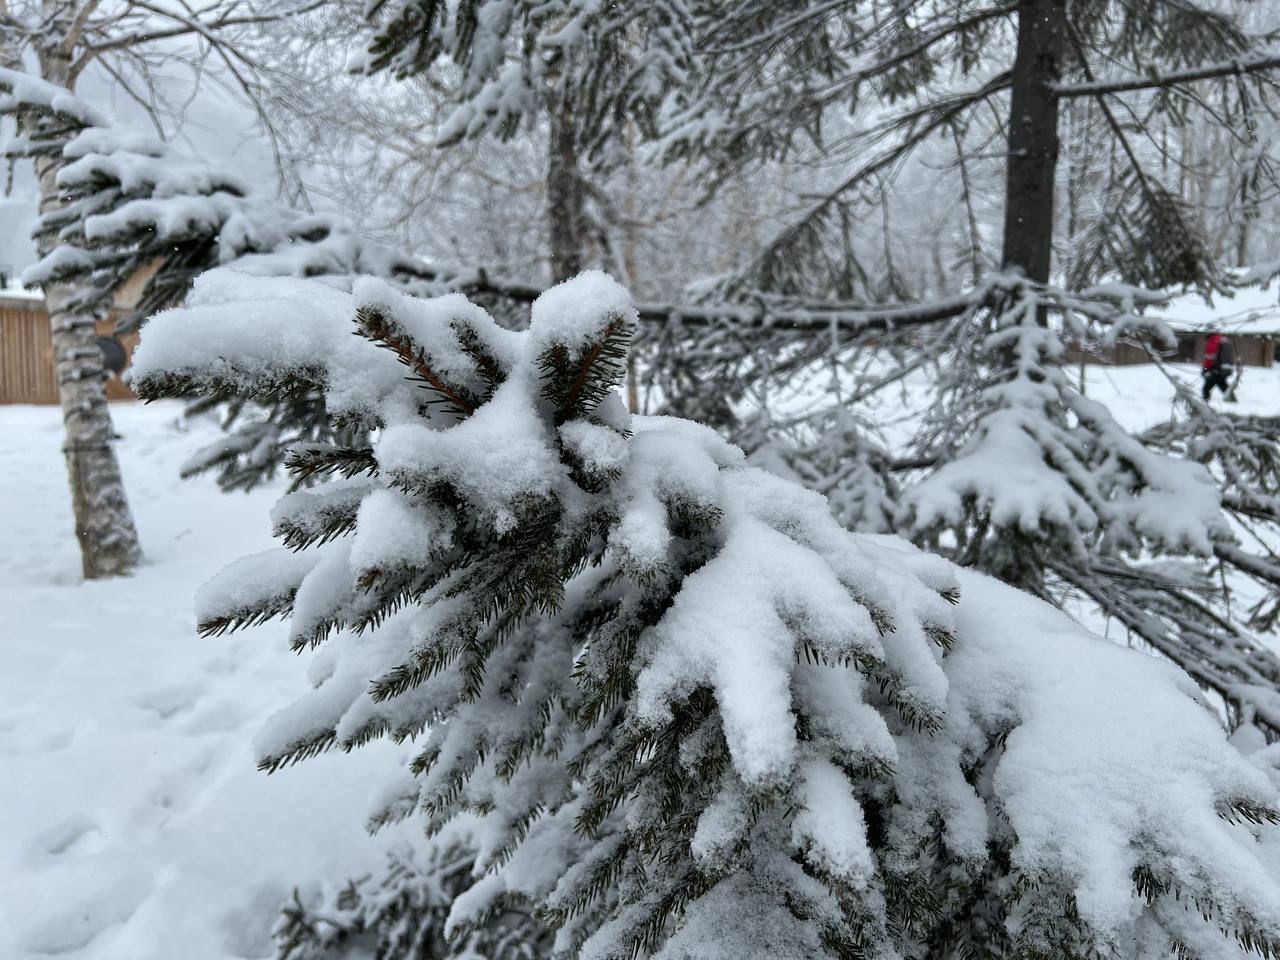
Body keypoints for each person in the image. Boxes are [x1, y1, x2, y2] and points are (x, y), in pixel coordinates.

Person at [1202, 329, 1236, 401]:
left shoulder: (1213, 340)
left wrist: (1206, 368)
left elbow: (1210, 356)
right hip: (1226, 367)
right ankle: (1232, 399)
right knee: (1221, 384)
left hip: (1216, 368)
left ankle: (1204, 402)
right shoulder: (1224, 340)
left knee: (1207, 387)